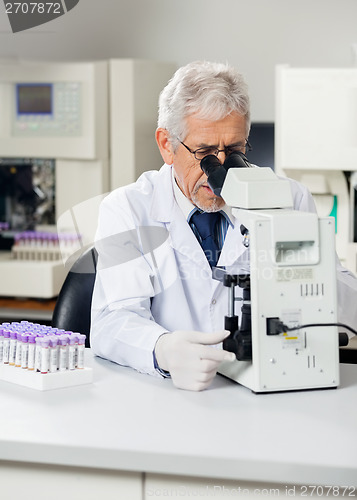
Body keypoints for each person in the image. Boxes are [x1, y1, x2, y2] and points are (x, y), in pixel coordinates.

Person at [90, 60, 357, 391]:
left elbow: (347, 304)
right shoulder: (128, 209)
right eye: (204, 153)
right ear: (166, 144)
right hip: (171, 395)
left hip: (273, 386)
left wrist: (297, 252)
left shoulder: (290, 198)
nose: (218, 168)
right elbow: (110, 322)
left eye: (233, 151)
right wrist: (163, 349)